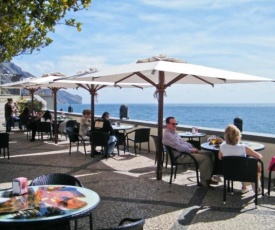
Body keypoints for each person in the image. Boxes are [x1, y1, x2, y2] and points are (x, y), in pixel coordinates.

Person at [162, 116, 217, 188]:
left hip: (186, 153)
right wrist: (191, 150)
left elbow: (183, 142)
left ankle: (208, 177)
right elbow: (179, 147)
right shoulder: (168, 135)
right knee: (205, 158)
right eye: (173, 124)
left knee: (210, 154)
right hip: (181, 157)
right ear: (167, 124)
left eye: (176, 123)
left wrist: (191, 147)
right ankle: (203, 182)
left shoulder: (173, 133)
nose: (175, 125)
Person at [218, 124, 263, 193]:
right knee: (256, 165)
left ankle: (244, 187)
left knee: (239, 166)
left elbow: (220, 157)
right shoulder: (243, 147)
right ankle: (256, 188)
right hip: (244, 175)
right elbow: (259, 156)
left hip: (229, 173)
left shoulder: (222, 146)